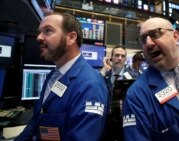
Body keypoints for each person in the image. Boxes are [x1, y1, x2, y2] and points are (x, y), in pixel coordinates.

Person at [15, 12, 109, 141]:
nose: (38, 37)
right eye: (40, 32)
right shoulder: (53, 75)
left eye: (48, 31)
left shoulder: (90, 86)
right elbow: (35, 121)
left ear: (71, 38)